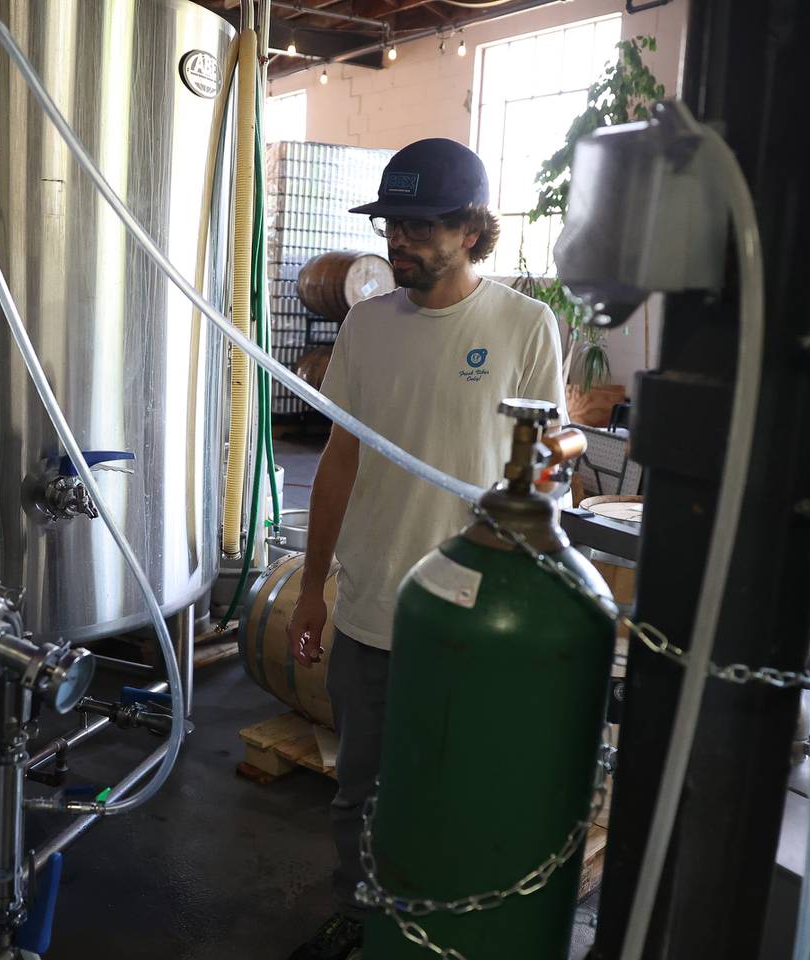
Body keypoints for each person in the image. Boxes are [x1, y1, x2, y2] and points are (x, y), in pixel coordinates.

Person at [285, 138, 569, 960]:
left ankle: (443, 922)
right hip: (374, 603)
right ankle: (362, 912)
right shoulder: (367, 327)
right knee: (359, 793)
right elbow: (338, 461)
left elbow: (545, 470)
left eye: (417, 226)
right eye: (390, 224)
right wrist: (312, 589)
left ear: (472, 231)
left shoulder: (525, 325)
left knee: (463, 783)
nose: (396, 241)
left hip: (473, 615)